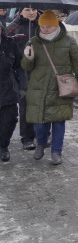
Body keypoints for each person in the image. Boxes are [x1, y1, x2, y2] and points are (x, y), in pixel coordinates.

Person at [20, 10, 78, 165]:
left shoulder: (68, 42)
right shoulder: (33, 42)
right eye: (42, 26)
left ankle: (56, 151)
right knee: (40, 122)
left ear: (56, 26)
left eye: (48, 26)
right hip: (38, 88)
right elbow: (26, 67)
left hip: (61, 88)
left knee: (59, 122)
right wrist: (28, 57)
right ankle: (41, 144)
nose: (44, 29)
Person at [6, 7, 39, 150]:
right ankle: (27, 137)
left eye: (34, 9)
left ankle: (42, 131)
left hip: (41, 70)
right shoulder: (13, 27)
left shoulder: (43, 25)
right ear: (20, 11)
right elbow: (7, 48)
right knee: (26, 104)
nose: (31, 12)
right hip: (22, 72)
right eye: (27, 9)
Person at [0, 24, 23, 162]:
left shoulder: (10, 43)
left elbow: (19, 66)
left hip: (8, 87)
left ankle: (4, 145)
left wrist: (23, 85)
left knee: (10, 119)